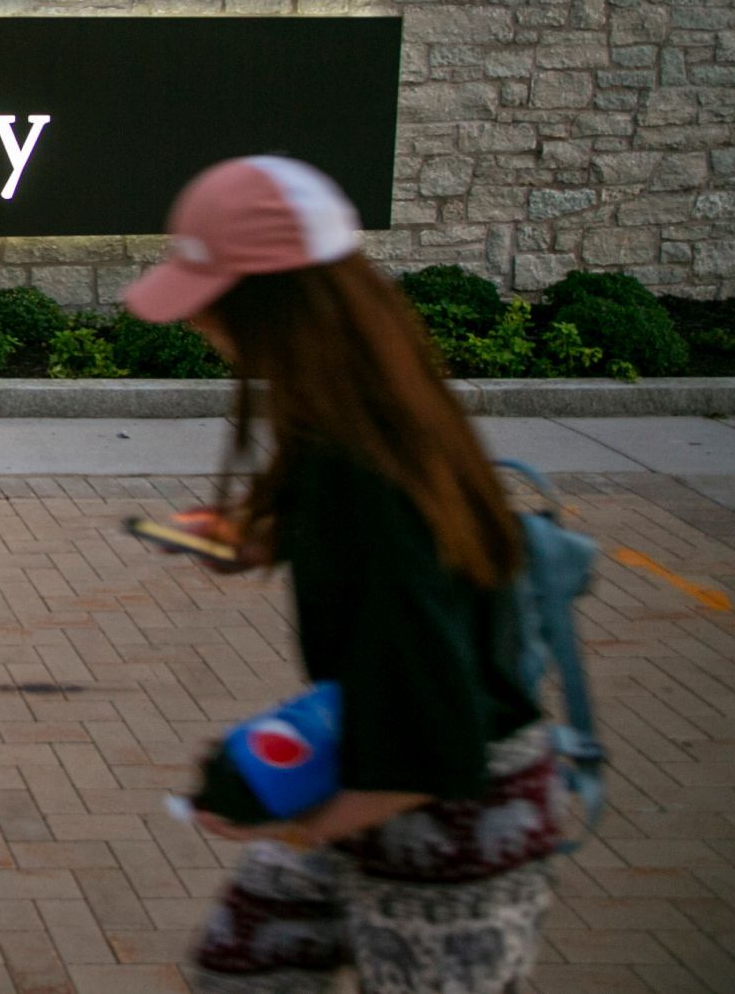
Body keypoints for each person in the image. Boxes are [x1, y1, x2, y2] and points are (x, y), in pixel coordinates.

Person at [122, 156, 563, 994]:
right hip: (384, 762)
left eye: (210, 299)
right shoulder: (365, 412)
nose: (200, 323)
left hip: (449, 823)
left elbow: (429, 742)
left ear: (271, 303)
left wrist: (289, 820)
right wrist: (258, 538)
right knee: (240, 964)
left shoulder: (364, 472)